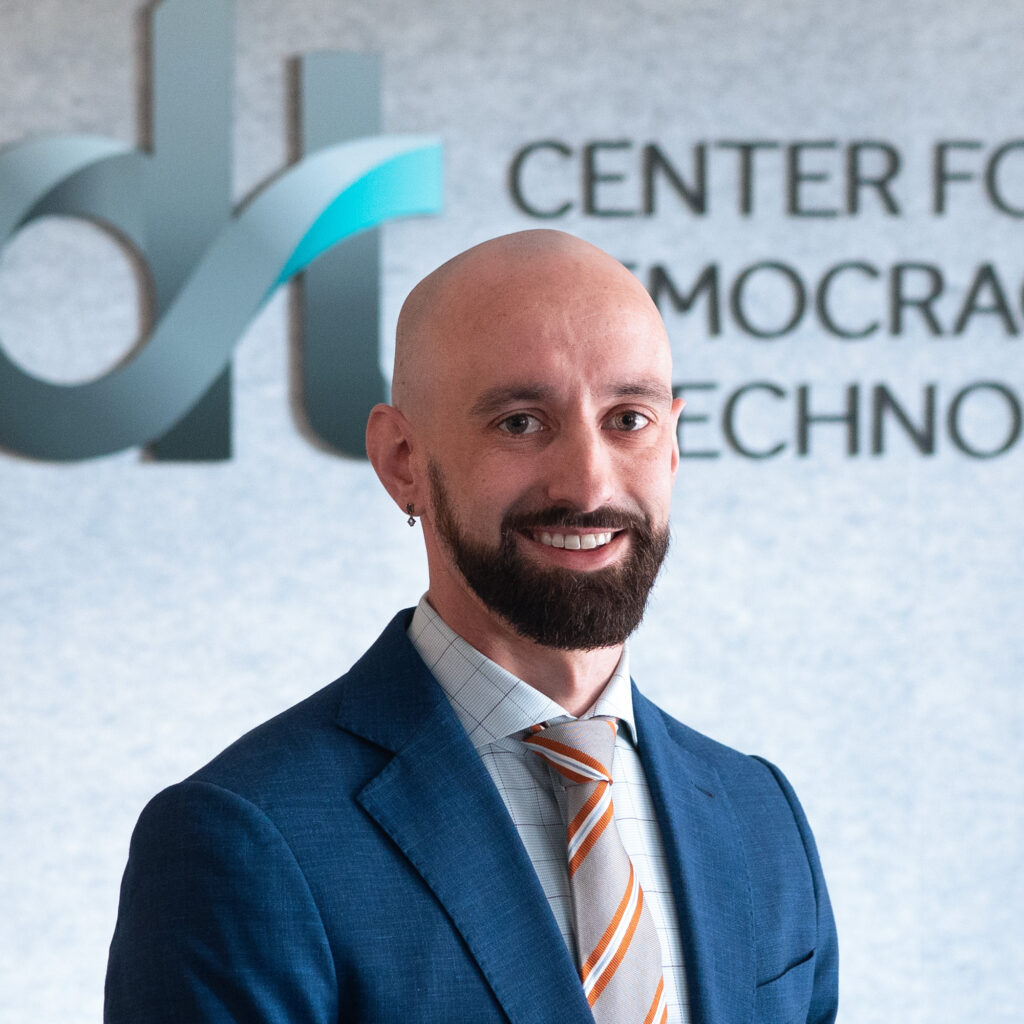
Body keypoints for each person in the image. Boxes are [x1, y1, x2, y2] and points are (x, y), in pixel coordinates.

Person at [105, 230, 838, 1023]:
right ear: (401, 461)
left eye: (628, 419)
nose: (588, 481)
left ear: (672, 445)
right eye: (521, 423)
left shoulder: (759, 815)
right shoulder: (246, 838)